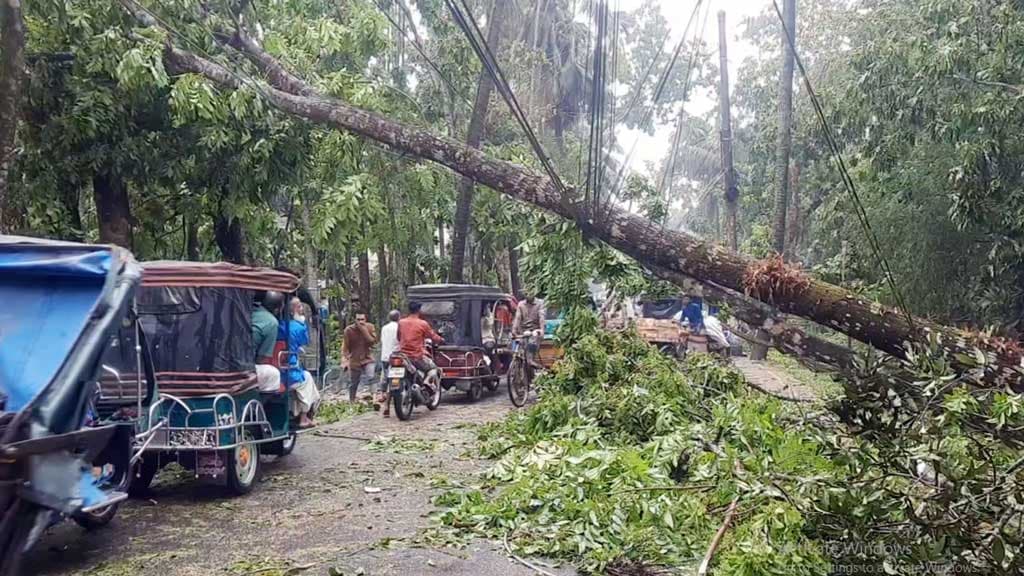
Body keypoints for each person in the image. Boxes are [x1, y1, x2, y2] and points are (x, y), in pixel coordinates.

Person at [279, 297, 320, 428]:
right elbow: (304, 341)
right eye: (300, 307)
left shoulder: (280, 325)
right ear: (293, 310)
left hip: (280, 368)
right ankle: (304, 417)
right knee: (306, 380)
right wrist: (302, 324)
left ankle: (302, 415)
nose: (302, 310)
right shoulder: (298, 327)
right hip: (289, 371)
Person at [398, 301, 444, 375]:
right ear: (419, 310)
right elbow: (433, 336)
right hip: (417, 356)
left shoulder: (401, 322)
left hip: (403, 356)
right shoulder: (423, 323)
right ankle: (427, 383)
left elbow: (399, 337)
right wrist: (441, 340)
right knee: (434, 369)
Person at [252, 291, 284, 393]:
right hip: (245, 367)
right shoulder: (272, 322)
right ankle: (263, 405)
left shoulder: (249, 309)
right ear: (277, 310)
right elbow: (262, 359)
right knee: (274, 374)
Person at [342, 312, 377, 402]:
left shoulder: (370, 327)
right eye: (358, 319)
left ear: (365, 320)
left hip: (367, 358)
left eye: (362, 319)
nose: (360, 322)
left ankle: (375, 399)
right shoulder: (348, 330)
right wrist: (345, 360)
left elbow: (372, 341)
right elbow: (345, 347)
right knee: (354, 382)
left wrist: (364, 331)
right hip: (355, 359)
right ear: (355, 320)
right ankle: (351, 401)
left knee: (371, 377)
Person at [512, 291, 545, 368]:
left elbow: (542, 317)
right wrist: (514, 330)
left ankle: (531, 360)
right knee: (515, 340)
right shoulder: (521, 304)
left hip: (535, 330)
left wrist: (542, 330)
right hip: (523, 330)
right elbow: (517, 318)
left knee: (533, 338)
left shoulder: (540, 303)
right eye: (526, 293)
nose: (528, 295)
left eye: (530, 293)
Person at [377, 309, 401, 416]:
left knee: (386, 378)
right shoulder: (400, 327)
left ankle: (384, 401)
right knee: (394, 381)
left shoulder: (384, 328)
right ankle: (386, 403)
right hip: (397, 357)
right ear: (399, 318)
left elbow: (383, 340)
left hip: (385, 357)